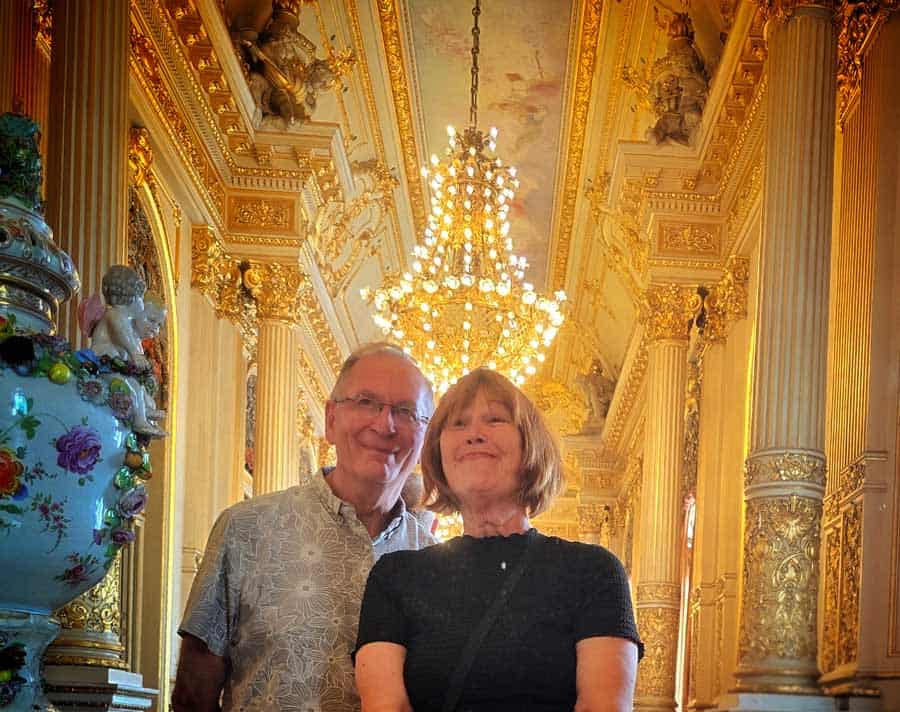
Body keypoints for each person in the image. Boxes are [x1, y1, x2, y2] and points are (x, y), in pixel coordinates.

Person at [355, 368, 643, 712]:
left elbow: (602, 706)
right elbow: (386, 706)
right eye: (458, 424)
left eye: (495, 419)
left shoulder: (593, 572)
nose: (474, 434)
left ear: (530, 444)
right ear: (438, 453)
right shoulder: (394, 577)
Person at [172, 342, 436, 711]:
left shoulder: (434, 564)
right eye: (366, 402)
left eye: (406, 411)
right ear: (331, 419)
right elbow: (192, 696)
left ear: (425, 438)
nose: (384, 424)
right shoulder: (245, 529)